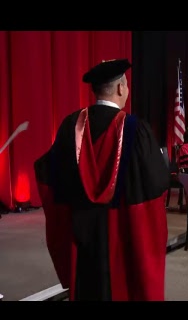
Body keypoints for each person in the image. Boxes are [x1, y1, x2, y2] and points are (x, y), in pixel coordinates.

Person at [33, 59, 170, 301]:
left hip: (81, 236)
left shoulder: (69, 127)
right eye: (126, 86)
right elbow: (156, 184)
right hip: (120, 237)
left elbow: (47, 172)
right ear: (120, 88)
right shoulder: (136, 130)